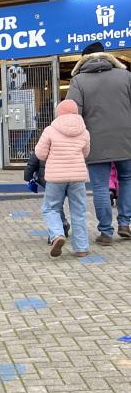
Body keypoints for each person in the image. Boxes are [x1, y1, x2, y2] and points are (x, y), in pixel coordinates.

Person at [66, 41, 131, 245]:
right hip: (126, 139)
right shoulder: (125, 76)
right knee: (127, 179)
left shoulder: (79, 81)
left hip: (95, 141)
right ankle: (125, 223)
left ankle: (105, 232)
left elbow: (71, 112)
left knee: (101, 187)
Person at [35, 100, 91, 258]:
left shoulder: (50, 130)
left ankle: (57, 235)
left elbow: (40, 153)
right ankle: (81, 248)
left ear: (58, 112)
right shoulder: (84, 131)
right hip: (78, 177)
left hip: (56, 177)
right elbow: (86, 153)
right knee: (79, 211)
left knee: (50, 208)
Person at [24, 151, 70, 240]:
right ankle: (63, 227)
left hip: (50, 176)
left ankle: (56, 233)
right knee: (59, 205)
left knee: (53, 206)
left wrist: (28, 176)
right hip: (70, 174)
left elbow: (35, 156)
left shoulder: (46, 137)